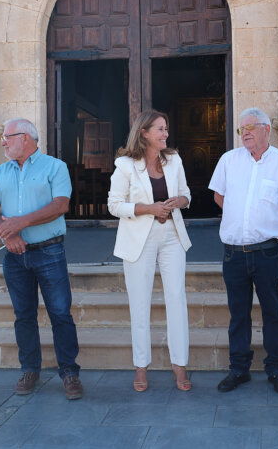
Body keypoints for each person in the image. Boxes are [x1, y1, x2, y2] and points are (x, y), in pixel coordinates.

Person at [0, 118, 82, 400]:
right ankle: (29, 369)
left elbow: (60, 205)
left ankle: (70, 373)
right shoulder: (1, 172)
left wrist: (19, 223)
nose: (2, 142)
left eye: (7, 137)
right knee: (23, 315)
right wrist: (8, 235)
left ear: (25, 137)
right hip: (14, 255)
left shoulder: (55, 167)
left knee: (60, 314)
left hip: (50, 251)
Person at [208, 107, 278, 395]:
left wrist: (267, 219)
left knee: (273, 312)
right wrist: (241, 215)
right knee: (238, 313)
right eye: (241, 129)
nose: (245, 133)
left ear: (267, 129)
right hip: (234, 252)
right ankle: (239, 370)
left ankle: (275, 369)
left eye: (251, 127)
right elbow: (218, 196)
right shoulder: (228, 160)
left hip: (267, 252)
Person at [107, 110, 193, 392]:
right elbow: (114, 205)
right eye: (160, 129)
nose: (165, 133)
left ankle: (179, 365)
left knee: (177, 299)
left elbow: (187, 195)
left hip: (172, 236)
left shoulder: (174, 159)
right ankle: (141, 367)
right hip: (139, 239)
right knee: (139, 303)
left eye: (166, 128)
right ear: (144, 132)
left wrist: (178, 201)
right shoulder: (125, 165)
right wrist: (149, 209)